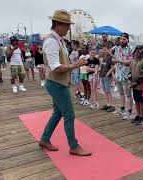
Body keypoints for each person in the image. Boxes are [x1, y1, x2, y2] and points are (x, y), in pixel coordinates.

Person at [39, 10, 91, 156]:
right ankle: (74, 147)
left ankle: (44, 139)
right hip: (56, 84)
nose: (69, 28)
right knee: (69, 115)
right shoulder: (51, 42)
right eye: (67, 25)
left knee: (57, 113)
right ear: (58, 24)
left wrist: (73, 67)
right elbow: (56, 67)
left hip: (58, 83)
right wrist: (76, 65)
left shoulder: (58, 40)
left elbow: (61, 63)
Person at [112, 33, 134, 120]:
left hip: (126, 75)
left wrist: (119, 60)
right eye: (121, 39)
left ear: (127, 40)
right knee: (121, 93)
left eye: (124, 39)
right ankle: (122, 109)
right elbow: (113, 60)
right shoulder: (117, 48)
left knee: (128, 94)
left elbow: (129, 62)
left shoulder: (131, 49)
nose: (122, 40)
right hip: (118, 73)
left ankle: (129, 112)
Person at [129, 45, 143, 125]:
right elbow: (130, 71)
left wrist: (136, 82)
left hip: (141, 86)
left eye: (139, 52)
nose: (137, 53)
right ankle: (138, 114)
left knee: (141, 101)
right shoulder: (133, 60)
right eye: (136, 51)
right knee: (136, 100)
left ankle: (142, 116)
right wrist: (130, 80)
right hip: (134, 85)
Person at [99, 43, 115, 112]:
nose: (104, 51)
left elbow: (113, 67)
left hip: (106, 76)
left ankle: (112, 105)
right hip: (102, 75)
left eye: (105, 49)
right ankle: (108, 103)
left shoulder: (111, 57)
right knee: (105, 90)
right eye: (103, 49)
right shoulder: (103, 57)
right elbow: (101, 66)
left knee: (108, 90)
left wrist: (108, 74)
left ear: (109, 49)